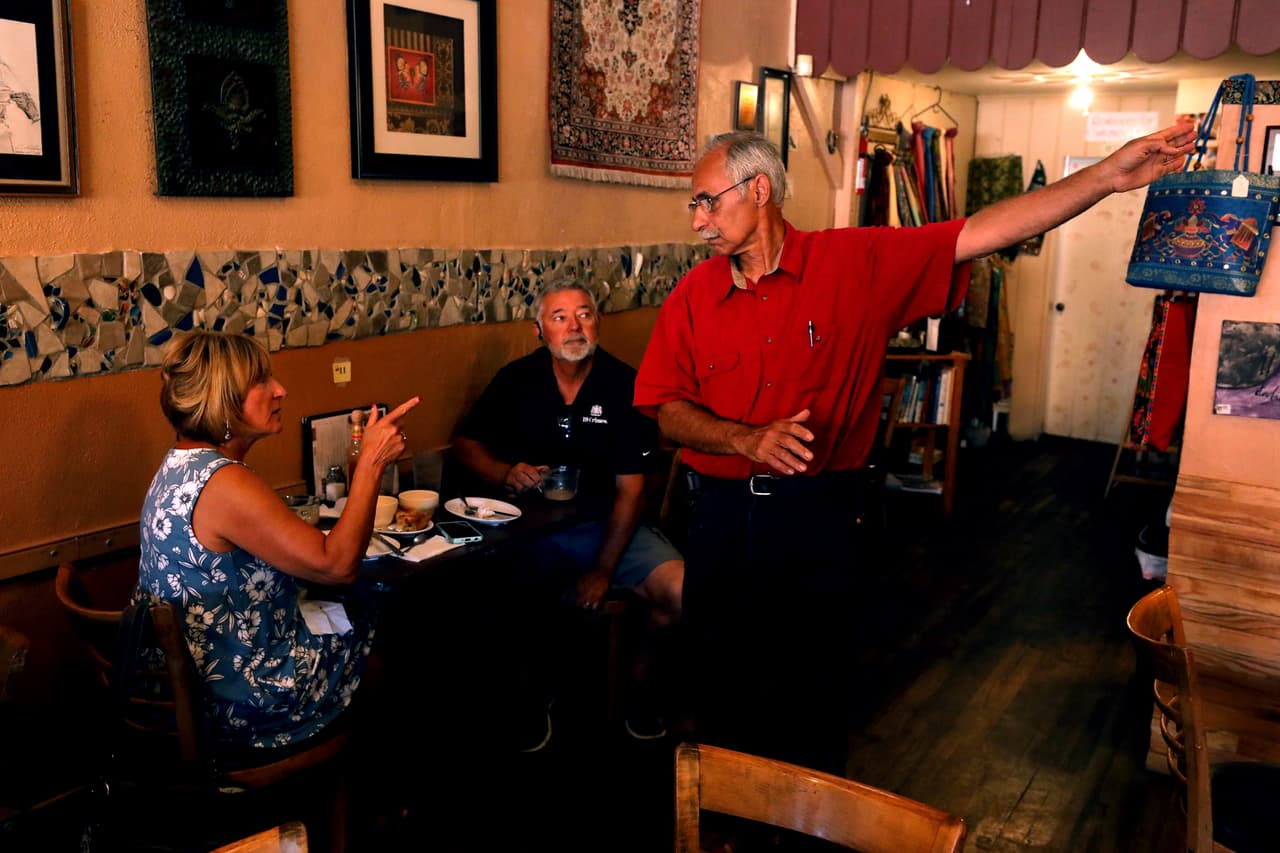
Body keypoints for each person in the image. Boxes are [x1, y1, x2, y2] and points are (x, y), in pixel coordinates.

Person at [633, 125, 1197, 775]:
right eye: (693, 206)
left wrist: (1106, 175)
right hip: (719, 517)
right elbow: (666, 411)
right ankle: (720, 825)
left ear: (758, 189)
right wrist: (742, 436)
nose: (698, 220)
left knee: (812, 689)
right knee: (720, 679)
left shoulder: (855, 263)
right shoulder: (693, 295)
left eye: (706, 200)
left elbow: (985, 230)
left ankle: (807, 823)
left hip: (816, 515)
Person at [134, 330, 420, 750]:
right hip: (237, 700)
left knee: (353, 613)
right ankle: (362, 796)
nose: (280, 390)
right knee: (393, 625)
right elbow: (336, 566)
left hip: (181, 689)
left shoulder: (182, 465)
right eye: (262, 381)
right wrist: (370, 462)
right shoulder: (224, 482)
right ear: (224, 400)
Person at [452, 278, 684, 747]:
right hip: (532, 531)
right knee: (499, 595)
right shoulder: (516, 379)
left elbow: (630, 492)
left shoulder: (625, 385)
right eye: (560, 318)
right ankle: (532, 697)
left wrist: (603, 570)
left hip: (611, 526)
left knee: (681, 592)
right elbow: (465, 443)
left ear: (597, 323)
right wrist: (503, 472)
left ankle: (640, 685)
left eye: (584, 314)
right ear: (539, 331)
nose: (574, 326)